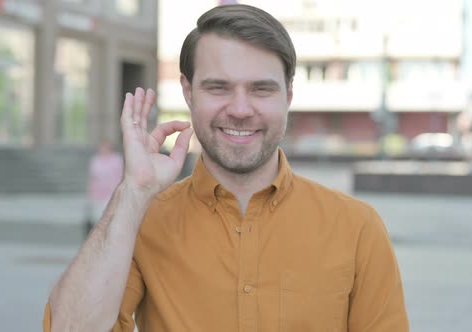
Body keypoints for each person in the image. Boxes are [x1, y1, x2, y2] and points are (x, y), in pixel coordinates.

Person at [44, 4, 409, 331]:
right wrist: (132, 192)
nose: (239, 109)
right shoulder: (142, 221)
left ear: (289, 95)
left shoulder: (358, 229)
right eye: (218, 87)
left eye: (261, 89)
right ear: (189, 93)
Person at [86, 140, 124, 234]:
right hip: (97, 194)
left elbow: (120, 176)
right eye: (102, 147)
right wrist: (90, 193)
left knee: (109, 217)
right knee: (97, 218)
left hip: (111, 193)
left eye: (105, 146)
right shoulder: (95, 160)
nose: (103, 149)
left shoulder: (116, 159)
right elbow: (92, 177)